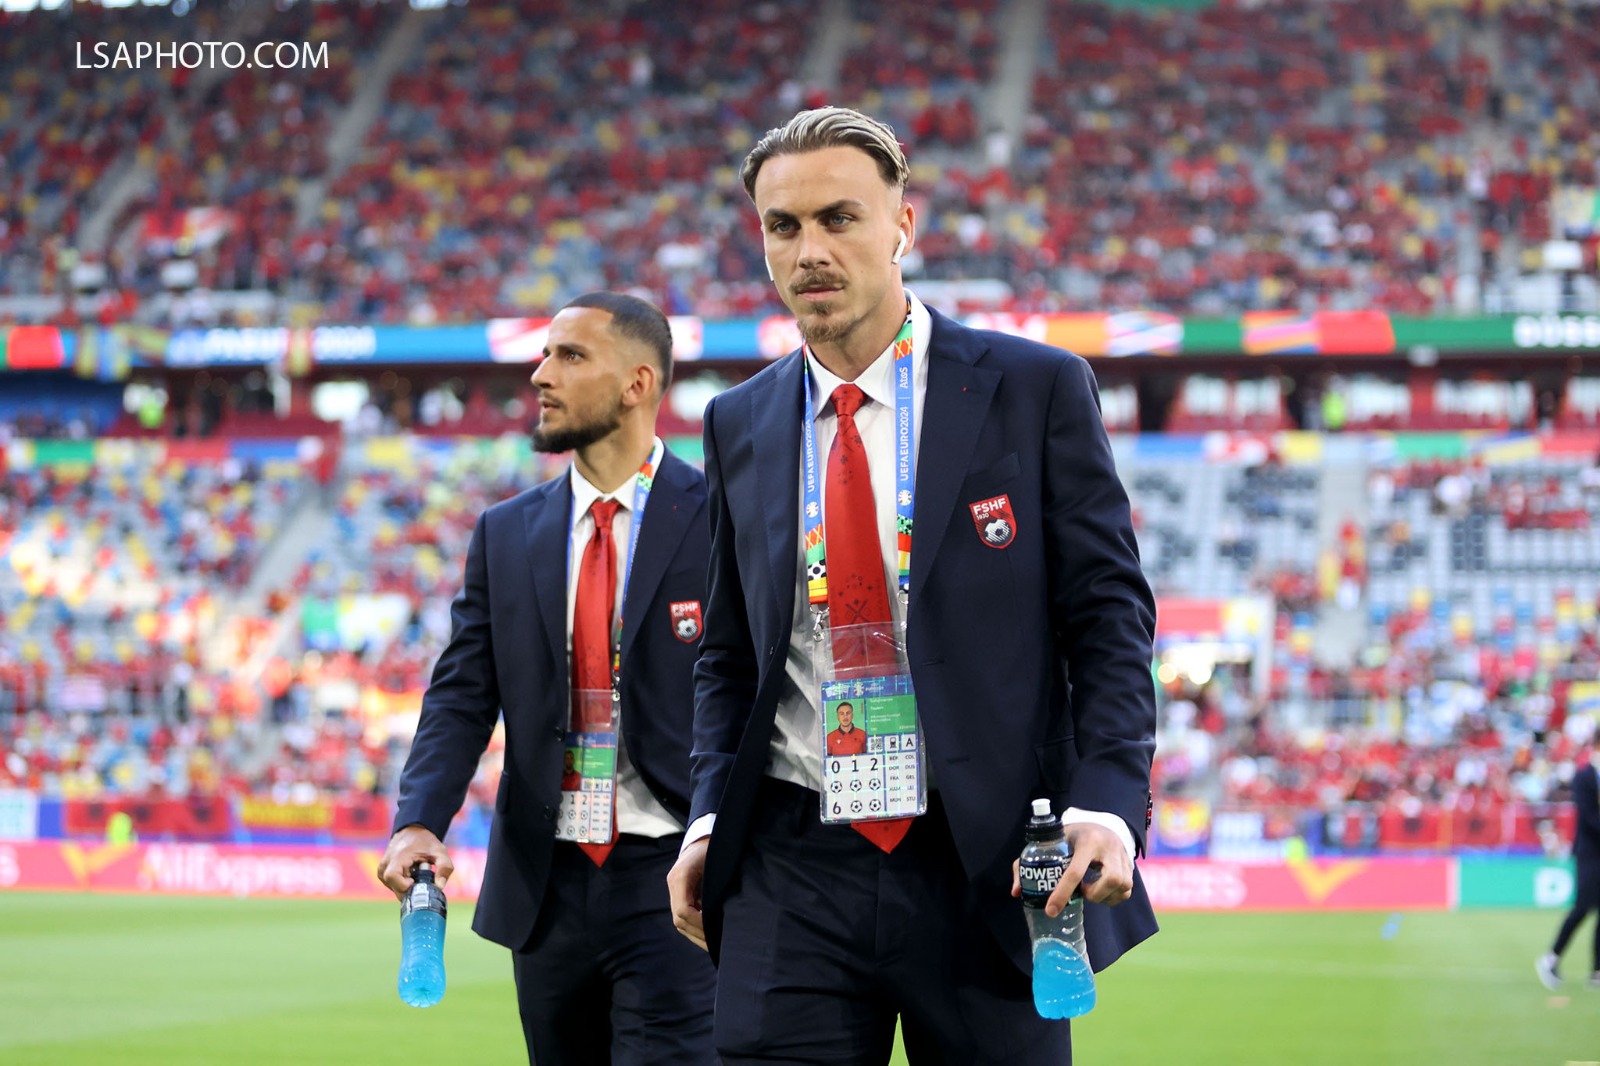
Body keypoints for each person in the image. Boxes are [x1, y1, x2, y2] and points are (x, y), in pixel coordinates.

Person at [667, 106, 1158, 1064]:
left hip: (987, 856)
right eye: (783, 226)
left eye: (839, 218)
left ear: (903, 225)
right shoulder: (737, 422)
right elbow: (727, 655)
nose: (810, 250)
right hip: (791, 855)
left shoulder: (1034, 388)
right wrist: (708, 818)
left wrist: (1107, 799)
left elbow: (1107, 616)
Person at [378, 292, 718, 1065]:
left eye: (569, 356)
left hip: (673, 876)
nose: (540, 375)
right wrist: (419, 819)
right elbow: (462, 695)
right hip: (547, 884)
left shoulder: (719, 518)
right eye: (542, 355)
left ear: (636, 384)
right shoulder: (505, 532)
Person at [1537, 733, 1600, 991]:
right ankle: (1551, 957)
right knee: (1582, 907)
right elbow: (1590, 817)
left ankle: (1597, 970)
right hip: (1590, 853)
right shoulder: (1584, 777)